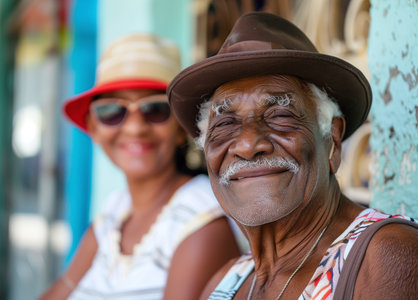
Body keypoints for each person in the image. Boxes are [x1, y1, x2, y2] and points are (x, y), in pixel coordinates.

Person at [167, 12, 418, 300]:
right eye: (225, 123)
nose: (248, 145)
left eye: (280, 115)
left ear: (332, 138)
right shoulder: (224, 284)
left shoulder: (384, 258)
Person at [39, 33, 241, 300]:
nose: (135, 127)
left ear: (182, 129)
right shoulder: (114, 213)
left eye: (155, 109)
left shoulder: (201, 219)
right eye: (112, 111)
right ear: (93, 127)